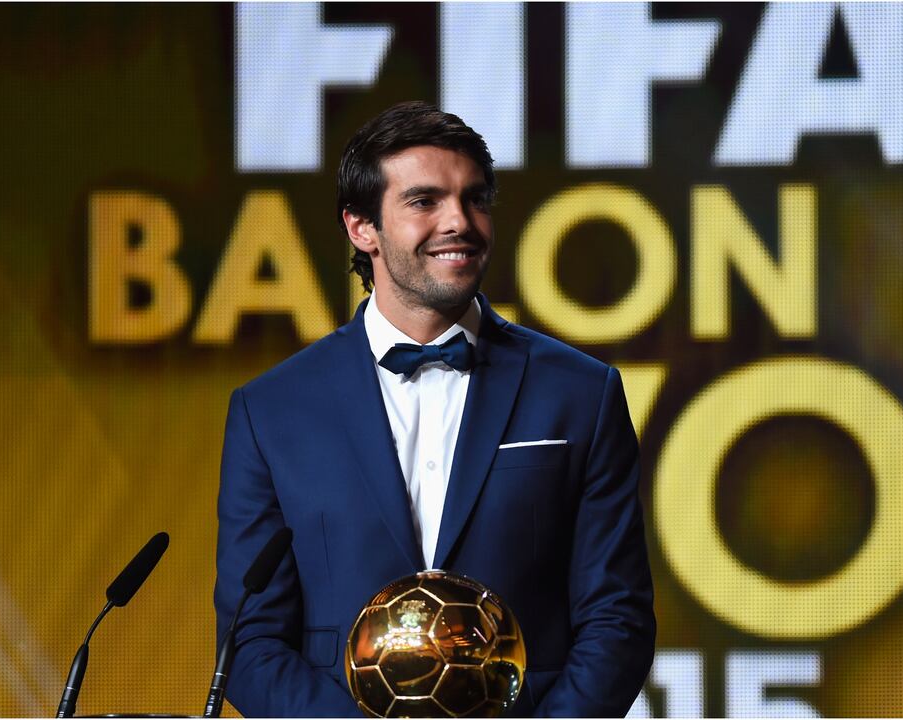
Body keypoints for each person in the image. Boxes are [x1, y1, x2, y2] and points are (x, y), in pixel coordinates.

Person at [214, 101, 655, 717]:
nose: (460, 222)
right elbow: (251, 642)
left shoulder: (581, 393)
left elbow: (618, 618)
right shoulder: (272, 411)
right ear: (360, 227)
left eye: (474, 199)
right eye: (424, 202)